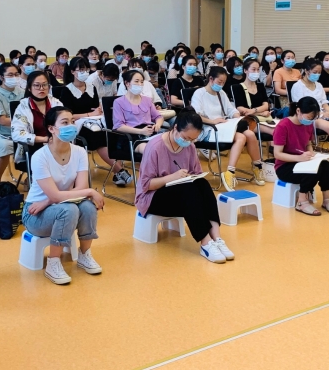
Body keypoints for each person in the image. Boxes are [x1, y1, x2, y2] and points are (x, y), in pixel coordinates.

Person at [134, 110, 235, 263]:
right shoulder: (154, 147)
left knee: (202, 184)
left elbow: (196, 174)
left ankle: (217, 238)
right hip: (151, 197)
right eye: (186, 138)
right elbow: (146, 185)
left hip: (179, 192)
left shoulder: (190, 147)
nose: (189, 142)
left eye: (193, 139)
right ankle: (205, 243)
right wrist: (172, 177)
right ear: (175, 128)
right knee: (188, 192)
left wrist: (189, 177)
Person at [22, 107, 104, 285]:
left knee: (88, 207)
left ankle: (84, 255)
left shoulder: (79, 152)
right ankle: (53, 263)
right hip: (34, 214)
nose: (71, 126)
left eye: (72, 121)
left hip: (57, 204)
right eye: (65, 123)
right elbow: (66, 193)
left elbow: (80, 187)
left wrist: (48, 201)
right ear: (51, 128)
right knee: (69, 210)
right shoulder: (40, 156)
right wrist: (90, 192)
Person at [191, 66, 265, 190]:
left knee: (250, 134)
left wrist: (237, 116)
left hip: (223, 127)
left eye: (223, 83)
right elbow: (196, 115)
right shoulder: (199, 93)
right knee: (241, 137)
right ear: (211, 79)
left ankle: (257, 167)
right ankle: (230, 172)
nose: (221, 85)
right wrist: (212, 121)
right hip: (208, 129)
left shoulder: (221, 93)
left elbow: (231, 110)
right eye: (219, 82)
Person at [61, 56, 132, 185]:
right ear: (72, 71)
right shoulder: (66, 91)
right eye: (81, 70)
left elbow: (96, 108)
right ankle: (119, 170)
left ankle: (118, 173)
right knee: (97, 136)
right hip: (77, 124)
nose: (84, 72)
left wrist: (99, 111)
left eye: (86, 69)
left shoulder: (91, 87)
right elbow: (68, 116)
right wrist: (89, 114)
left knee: (112, 132)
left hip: (94, 121)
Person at [272, 98, 329, 215]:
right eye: (309, 117)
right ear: (298, 111)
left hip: (302, 160)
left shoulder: (307, 124)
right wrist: (299, 158)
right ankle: (302, 202)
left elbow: (308, 144)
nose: (311, 121)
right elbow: (277, 154)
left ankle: (327, 200)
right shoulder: (283, 126)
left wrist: (311, 154)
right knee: (310, 171)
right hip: (285, 166)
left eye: (313, 118)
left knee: (326, 166)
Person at [11, 70, 64, 164]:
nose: (41, 88)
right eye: (37, 85)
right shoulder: (23, 107)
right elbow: (16, 134)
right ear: (29, 88)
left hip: (57, 143)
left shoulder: (56, 103)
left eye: (44, 85)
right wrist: (44, 139)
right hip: (35, 146)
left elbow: (65, 125)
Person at [290, 57, 329, 148]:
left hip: (323, 114)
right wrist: (321, 114)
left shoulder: (319, 85)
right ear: (306, 71)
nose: (317, 75)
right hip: (309, 116)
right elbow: (302, 107)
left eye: (319, 72)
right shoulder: (298, 86)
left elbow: (324, 103)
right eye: (315, 72)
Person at [113, 70, 163, 155]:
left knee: (168, 144)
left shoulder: (147, 100)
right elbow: (118, 126)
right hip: (131, 136)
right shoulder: (118, 102)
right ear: (127, 83)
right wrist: (141, 131)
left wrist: (158, 125)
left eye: (142, 82)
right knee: (152, 150)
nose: (140, 84)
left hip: (149, 132)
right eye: (136, 81)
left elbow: (158, 117)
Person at [235, 58, 274, 141]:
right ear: (245, 70)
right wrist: (260, 113)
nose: (256, 72)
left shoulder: (260, 86)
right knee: (274, 131)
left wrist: (254, 110)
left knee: (282, 128)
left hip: (264, 118)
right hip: (248, 120)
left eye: (258, 70)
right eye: (253, 69)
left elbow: (266, 105)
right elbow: (240, 108)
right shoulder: (238, 87)